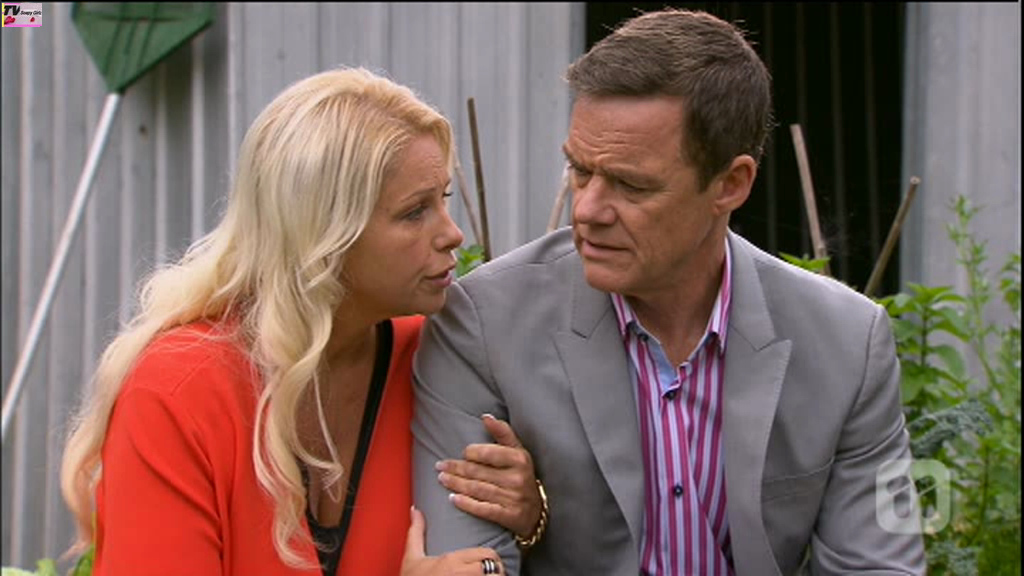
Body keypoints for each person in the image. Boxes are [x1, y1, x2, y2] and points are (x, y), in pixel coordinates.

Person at [412, 8, 927, 575]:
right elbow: (466, 563)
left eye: (631, 185)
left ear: (731, 184)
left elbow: (879, 564)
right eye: (580, 171)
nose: (587, 210)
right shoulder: (484, 323)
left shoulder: (848, 342)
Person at [59, 67, 544, 576]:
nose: (452, 235)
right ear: (324, 235)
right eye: (413, 212)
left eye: (441, 200)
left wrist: (532, 517)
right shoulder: (179, 391)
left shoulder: (435, 360)